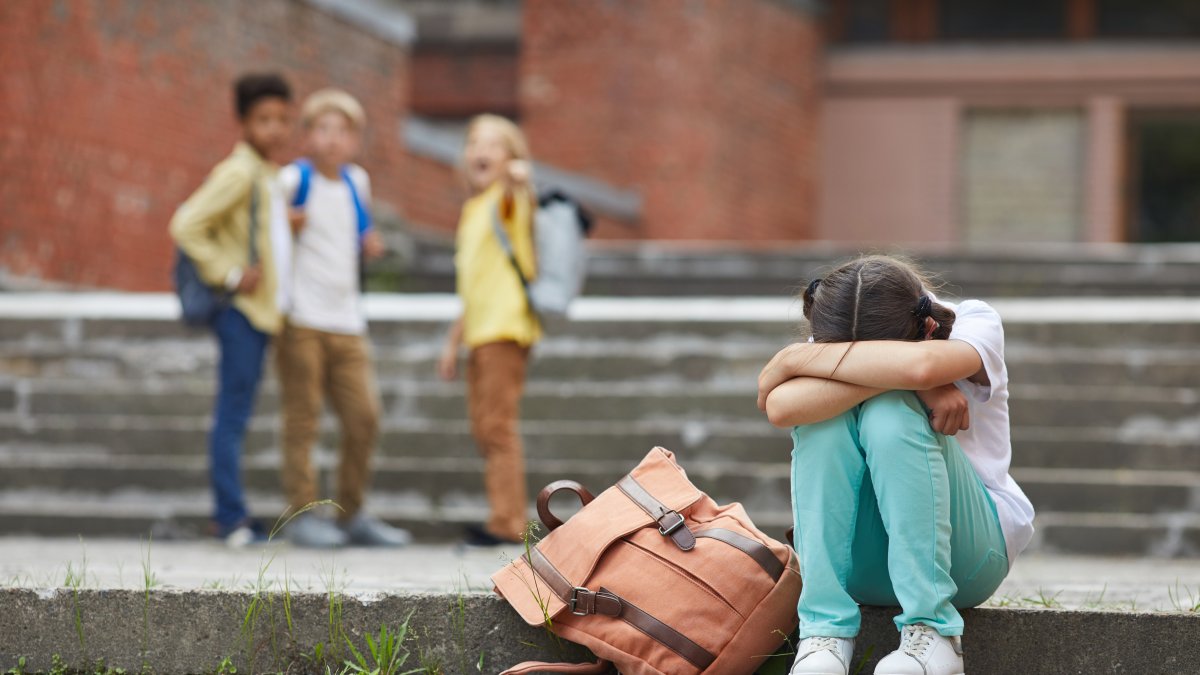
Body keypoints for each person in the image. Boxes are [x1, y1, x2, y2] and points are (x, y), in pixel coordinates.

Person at [757, 255, 1035, 675]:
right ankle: (824, 634)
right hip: (862, 565)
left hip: (967, 558)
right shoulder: (839, 333)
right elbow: (779, 407)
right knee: (820, 424)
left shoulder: (973, 322)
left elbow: (922, 365)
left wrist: (791, 360)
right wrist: (918, 385)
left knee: (890, 408)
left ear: (927, 329)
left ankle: (934, 631)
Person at [273, 88, 410, 548]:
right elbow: (268, 238)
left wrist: (369, 244)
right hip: (302, 320)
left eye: (343, 131)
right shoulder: (293, 180)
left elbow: (357, 231)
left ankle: (352, 513)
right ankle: (303, 513)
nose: (333, 139)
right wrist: (283, 227)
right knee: (303, 418)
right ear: (308, 135)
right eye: (323, 129)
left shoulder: (358, 181)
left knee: (364, 417)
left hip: (348, 321)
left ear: (355, 140)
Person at [170, 73, 294, 547]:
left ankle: (233, 513)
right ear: (243, 122)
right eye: (264, 119)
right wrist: (229, 272)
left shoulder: (265, 173)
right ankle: (229, 517)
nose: (276, 129)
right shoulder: (240, 171)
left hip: (262, 314)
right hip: (240, 312)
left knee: (237, 411)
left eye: (283, 119)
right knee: (233, 413)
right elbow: (186, 224)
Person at [437, 114, 540, 547]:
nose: (481, 150)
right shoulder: (472, 208)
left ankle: (507, 522)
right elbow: (472, 284)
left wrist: (518, 177)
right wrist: (453, 341)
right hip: (479, 331)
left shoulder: (505, 200)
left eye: (494, 144)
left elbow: (520, 191)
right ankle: (504, 515)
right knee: (485, 428)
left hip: (504, 327)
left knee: (497, 427)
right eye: (474, 142)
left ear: (510, 157)